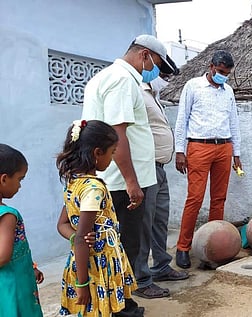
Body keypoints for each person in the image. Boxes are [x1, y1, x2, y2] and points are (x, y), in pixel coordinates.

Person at [82, 34, 176, 299]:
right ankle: (126, 298)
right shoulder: (122, 80)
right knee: (129, 244)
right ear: (144, 55)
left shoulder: (111, 77)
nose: (155, 70)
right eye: (156, 63)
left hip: (121, 177)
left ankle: (123, 297)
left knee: (122, 243)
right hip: (122, 181)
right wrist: (132, 182)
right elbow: (117, 133)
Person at [55, 120, 141, 317]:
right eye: (112, 152)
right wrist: (82, 283)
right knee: (96, 309)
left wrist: (76, 237)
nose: (112, 159)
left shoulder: (74, 181)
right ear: (97, 153)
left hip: (84, 264)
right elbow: (81, 238)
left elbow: (62, 225)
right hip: (96, 268)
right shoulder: (93, 189)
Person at [174, 50, 242, 269]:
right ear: (211, 67)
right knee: (194, 198)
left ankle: (213, 247)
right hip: (198, 146)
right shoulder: (193, 86)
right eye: (221, 71)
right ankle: (183, 247)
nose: (224, 76)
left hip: (223, 146)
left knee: (219, 198)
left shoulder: (228, 91)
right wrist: (180, 150)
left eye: (227, 73)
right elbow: (182, 119)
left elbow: (234, 122)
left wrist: (236, 153)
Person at [133, 75, 189, 297]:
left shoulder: (153, 95)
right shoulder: (136, 92)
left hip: (159, 167)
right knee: (143, 225)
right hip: (145, 167)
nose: (166, 81)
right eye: (163, 76)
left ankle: (161, 266)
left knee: (159, 220)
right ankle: (141, 279)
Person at [0, 144, 44, 317]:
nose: (19, 186)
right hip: (13, 284)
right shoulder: (8, 215)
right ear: (4, 179)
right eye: (20, 179)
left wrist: (31, 266)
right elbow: (3, 256)